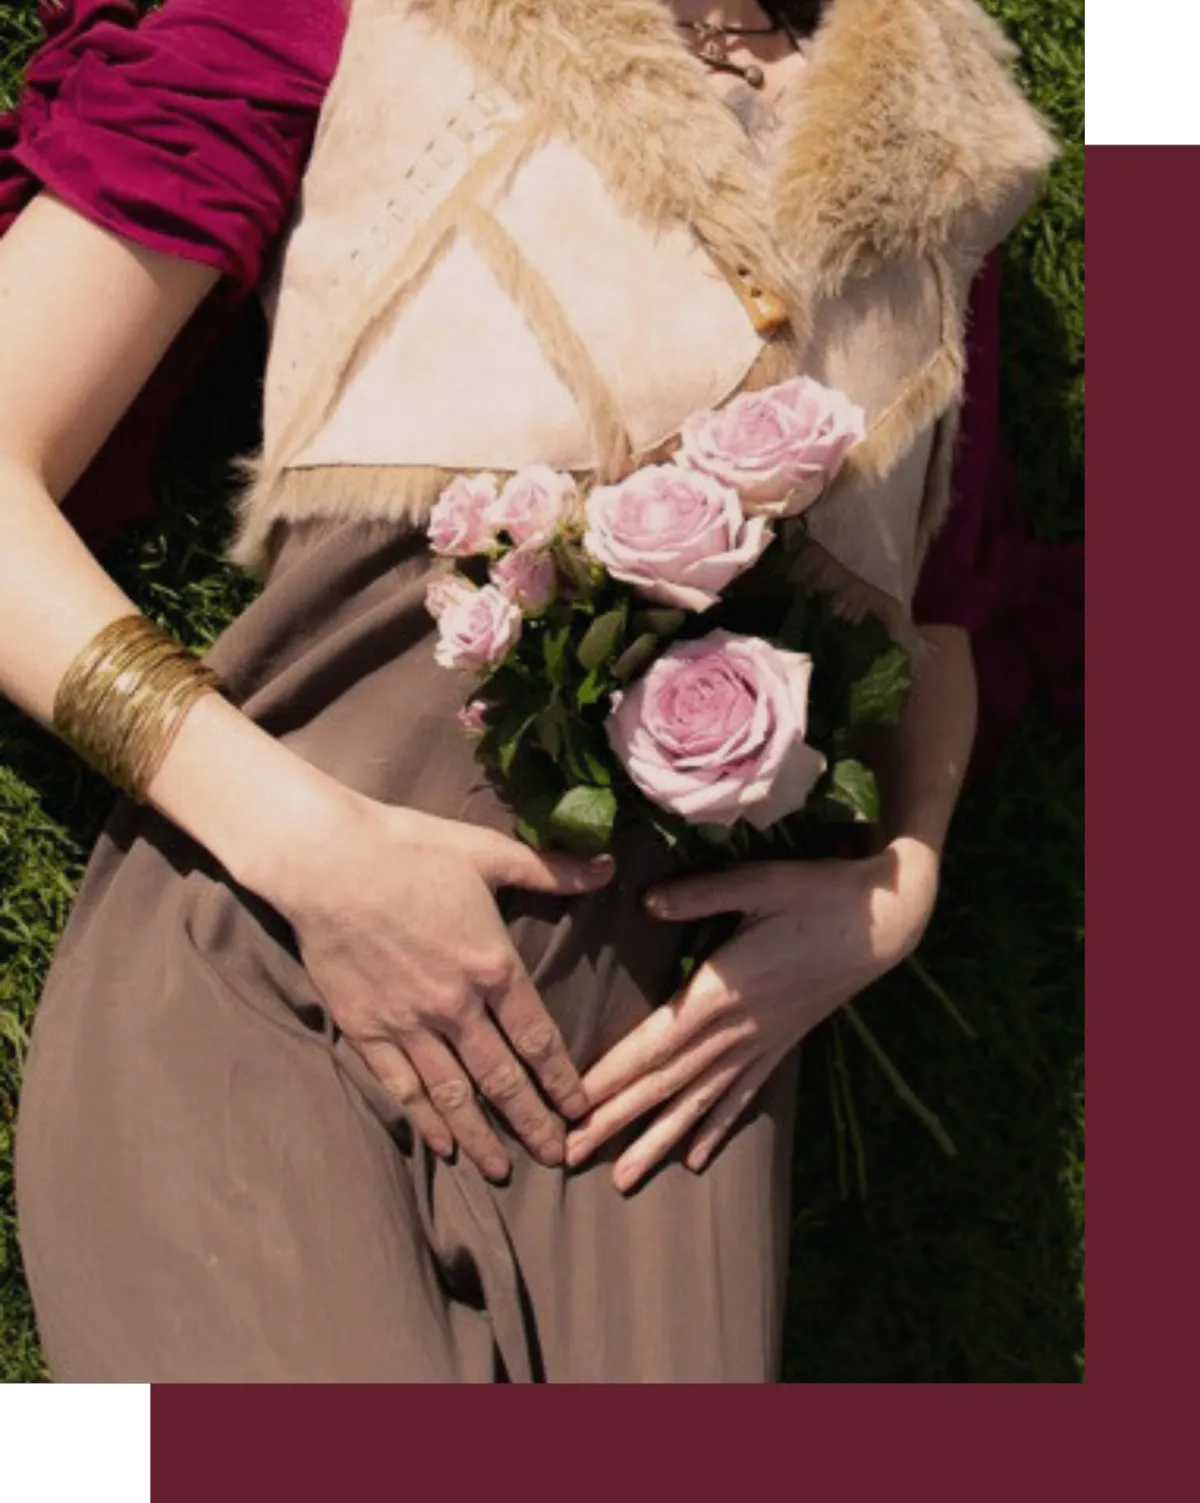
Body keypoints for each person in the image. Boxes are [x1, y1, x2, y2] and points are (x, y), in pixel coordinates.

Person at [0, 0, 1059, 1382]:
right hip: (274, 959)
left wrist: (897, 886)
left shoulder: (949, 144)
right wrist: (316, 857)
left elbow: (940, 611)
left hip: (664, 1103)